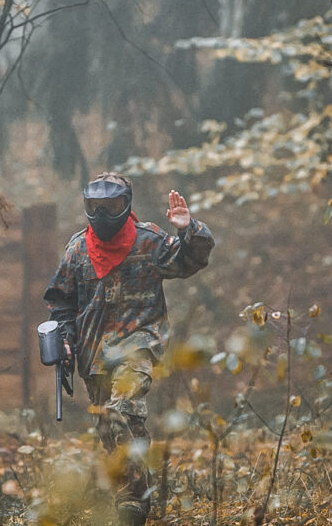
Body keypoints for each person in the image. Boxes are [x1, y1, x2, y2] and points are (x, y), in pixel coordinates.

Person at [43, 171, 215, 526]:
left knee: (123, 409)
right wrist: (65, 340)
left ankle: (133, 504)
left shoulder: (148, 241)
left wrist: (188, 229)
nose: (103, 215)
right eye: (96, 207)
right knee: (110, 428)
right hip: (94, 356)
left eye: (112, 206)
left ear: (126, 205)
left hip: (139, 344)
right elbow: (61, 304)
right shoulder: (77, 249)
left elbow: (191, 261)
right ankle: (133, 494)